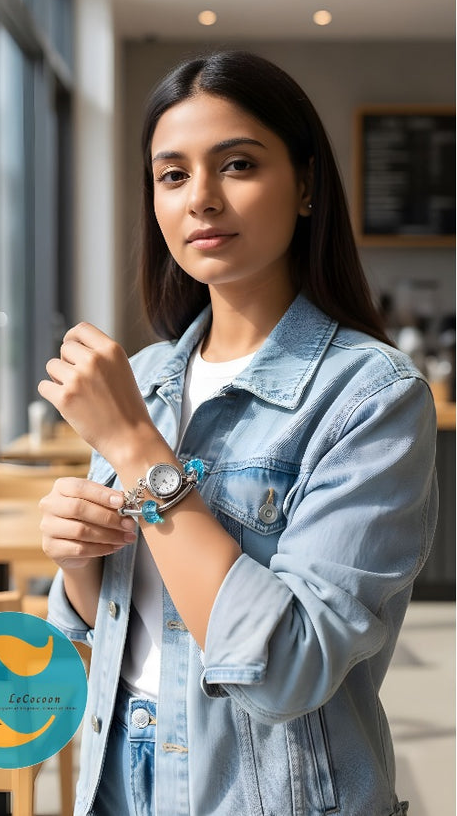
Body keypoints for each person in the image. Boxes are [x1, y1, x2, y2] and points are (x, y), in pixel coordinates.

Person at [39, 50, 438, 816]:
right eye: (172, 174)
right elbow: (110, 624)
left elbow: (288, 668)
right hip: (115, 772)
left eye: (238, 164)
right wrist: (78, 561)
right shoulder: (144, 375)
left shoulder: (371, 395)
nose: (201, 199)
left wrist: (136, 448)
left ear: (306, 185)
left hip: (268, 792)